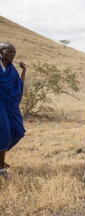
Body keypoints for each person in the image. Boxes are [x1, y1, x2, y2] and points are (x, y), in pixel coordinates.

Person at [0, 42, 27, 178]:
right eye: (9, 51)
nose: (12, 55)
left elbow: (18, 86)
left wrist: (23, 71)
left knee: (18, 131)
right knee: (4, 132)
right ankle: (1, 168)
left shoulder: (11, 69)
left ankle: (1, 158)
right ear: (1, 52)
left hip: (11, 105)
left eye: (14, 52)